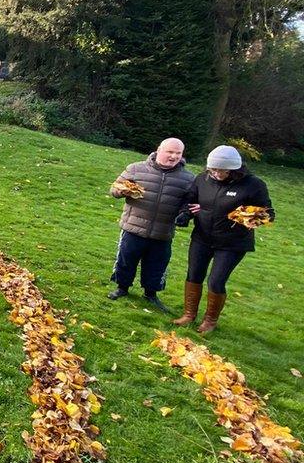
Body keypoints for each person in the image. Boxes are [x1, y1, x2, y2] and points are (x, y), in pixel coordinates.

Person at [172, 145, 274, 333]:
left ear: (234, 169)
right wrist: (185, 215)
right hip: (202, 237)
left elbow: (268, 214)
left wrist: (248, 216)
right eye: (213, 169)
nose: (217, 174)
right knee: (194, 275)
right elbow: (190, 200)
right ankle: (189, 314)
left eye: (222, 170)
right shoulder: (202, 179)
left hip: (232, 243)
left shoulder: (253, 185)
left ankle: (210, 321)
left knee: (216, 281)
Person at [108, 138, 194, 312]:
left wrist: (186, 214)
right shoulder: (136, 168)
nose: (174, 156)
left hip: (163, 231)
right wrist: (120, 191)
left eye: (178, 153)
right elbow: (114, 189)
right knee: (126, 259)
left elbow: (189, 202)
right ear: (159, 150)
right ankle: (122, 288)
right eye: (170, 152)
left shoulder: (188, 178)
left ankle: (151, 294)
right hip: (133, 226)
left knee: (157, 264)